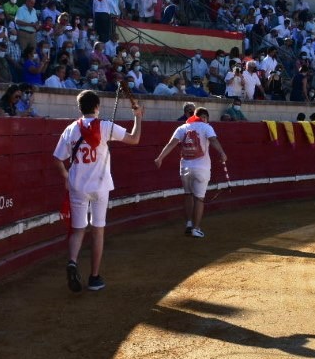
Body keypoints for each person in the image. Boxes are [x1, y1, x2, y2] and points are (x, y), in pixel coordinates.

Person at [53, 89, 143, 292]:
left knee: (78, 229)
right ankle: (94, 277)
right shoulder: (105, 126)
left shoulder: (71, 129)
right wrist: (138, 117)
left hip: (77, 185)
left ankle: (72, 261)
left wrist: (66, 177)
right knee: (98, 230)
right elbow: (134, 139)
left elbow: (57, 158)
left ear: (79, 108)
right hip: (100, 186)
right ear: (97, 107)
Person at [153, 106, 228, 238]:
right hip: (202, 168)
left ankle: (188, 223)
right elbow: (213, 140)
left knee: (188, 195)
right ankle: (196, 228)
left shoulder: (182, 128)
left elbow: (171, 144)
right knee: (199, 198)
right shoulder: (206, 127)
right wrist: (222, 152)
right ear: (204, 118)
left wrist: (160, 158)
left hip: (185, 167)